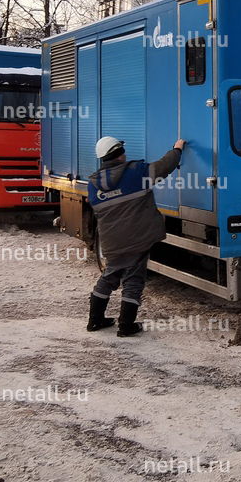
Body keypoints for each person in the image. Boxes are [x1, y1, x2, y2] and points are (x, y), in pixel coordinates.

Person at [86, 135, 184, 337]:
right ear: (120, 154)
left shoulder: (93, 184)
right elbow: (164, 167)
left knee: (109, 276)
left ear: (102, 158)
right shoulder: (136, 172)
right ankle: (126, 326)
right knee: (133, 280)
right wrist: (177, 150)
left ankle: (95, 321)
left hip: (111, 241)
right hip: (136, 238)